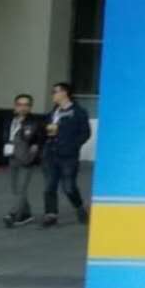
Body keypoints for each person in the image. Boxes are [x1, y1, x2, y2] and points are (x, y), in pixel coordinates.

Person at [41, 82, 90, 227]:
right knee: (49, 186)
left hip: (68, 156)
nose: (53, 94)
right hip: (50, 153)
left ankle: (79, 207)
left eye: (55, 92)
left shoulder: (78, 112)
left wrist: (73, 146)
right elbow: (47, 130)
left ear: (64, 93)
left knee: (69, 187)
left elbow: (85, 133)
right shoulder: (53, 112)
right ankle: (51, 215)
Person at [3, 94, 44, 227]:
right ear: (15, 106)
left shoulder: (35, 122)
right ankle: (26, 214)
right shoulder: (9, 120)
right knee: (15, 188)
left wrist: (32, 156)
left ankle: (13, 214)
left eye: (26, 105)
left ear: (30, 107)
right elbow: (5, 136)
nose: (23, 107)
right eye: (20, 104)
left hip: (26, 158)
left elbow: (39, 140)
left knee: (21, 188)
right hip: (12, 156)